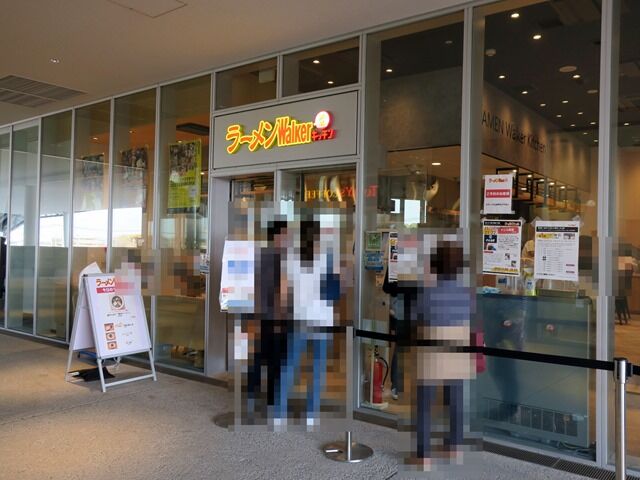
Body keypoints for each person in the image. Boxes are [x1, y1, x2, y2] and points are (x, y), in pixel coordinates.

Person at [405, 232, 475, 469]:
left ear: (434, 263)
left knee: (424, 402)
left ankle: (423, 456)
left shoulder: (427, 292)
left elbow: (413, 319)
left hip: (431, 349)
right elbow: (472, 318)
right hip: (457, 348)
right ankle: (454, 448)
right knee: (456, 400)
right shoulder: (466, 293)